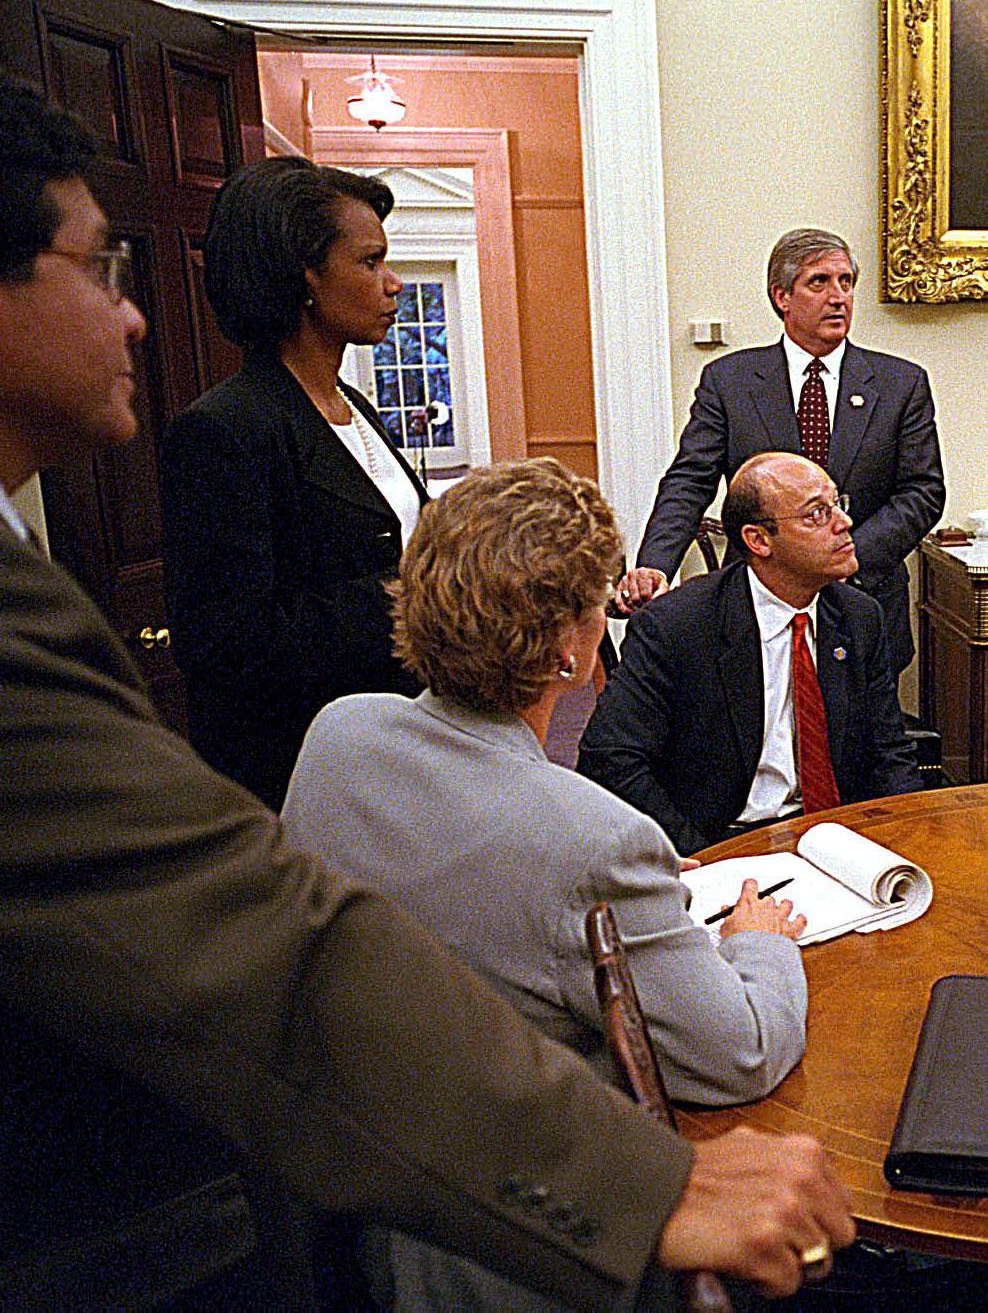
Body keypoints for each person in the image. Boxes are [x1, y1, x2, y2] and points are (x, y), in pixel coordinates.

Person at [0, 77, 851, 1304]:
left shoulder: (354, 418)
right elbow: (283, 922)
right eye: (98, 271)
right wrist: (639, 1180)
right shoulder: (229, 438)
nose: (130, 320)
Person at [283, 456, 813, 1306]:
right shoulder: (591, 837)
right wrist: (759, 947)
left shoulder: (338, 735)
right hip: (527, 1249)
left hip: (354, 1207)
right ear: (569, 645)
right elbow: (739, 1053)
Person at [159, 155, 430, 809]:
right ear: (302, 275)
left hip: (398, 747)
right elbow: (227, 644)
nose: (393, 284)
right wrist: (411, 593)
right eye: (370, 262)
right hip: (304, 776)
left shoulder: (354, 406)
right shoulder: (224, 430)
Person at [613, 227, 943, 677]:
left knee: (860, 743)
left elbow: (922, 492)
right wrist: (655, 564)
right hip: (754, 602)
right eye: (819, 282)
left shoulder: (899, 383)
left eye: (846, 282)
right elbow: (690, 481)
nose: (838, 297)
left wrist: (842, 555)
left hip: (864, 597)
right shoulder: (730, 382)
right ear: (782, 296)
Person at [582, 452, 920, 855]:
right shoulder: (677, 626)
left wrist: (906, 840)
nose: (844, 523)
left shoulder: (859, 617)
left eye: (837, 504)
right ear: (758, 540)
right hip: (723, 839)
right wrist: (699, 858)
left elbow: (888, 752)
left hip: (835, 840)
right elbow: (610, 760)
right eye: (816, 513)